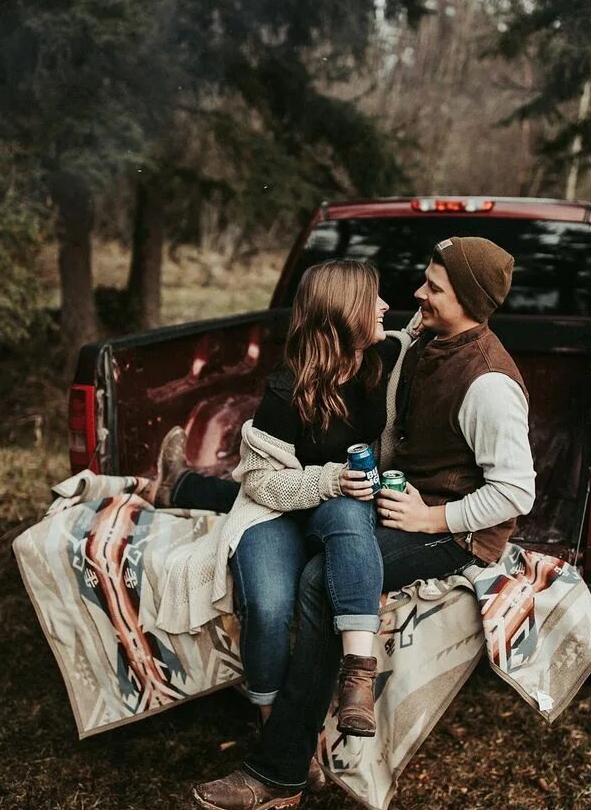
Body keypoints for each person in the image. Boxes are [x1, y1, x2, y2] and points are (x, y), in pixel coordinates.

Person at [191, 235, 537, 810]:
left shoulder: (489, 384)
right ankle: (303, 739)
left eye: (434, 288)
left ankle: (280, 767)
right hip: (400, 502)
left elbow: (516, 492)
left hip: (455, 531)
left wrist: (434, 517)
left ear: (470, 302)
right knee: (319, 570)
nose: (417, 294)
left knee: (319, 583)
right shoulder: (422, 342)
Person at [149, 259, 406, 740]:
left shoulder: (385, 364)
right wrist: (332, 480)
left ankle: (357, 677)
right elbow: (261, 482)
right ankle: (277, 731)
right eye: (374, 299)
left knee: (349, 512)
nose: (385, 307)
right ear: (344, 310)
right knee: (267, 606)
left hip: (340, 512)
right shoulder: (287, 388)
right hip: (276, 511)